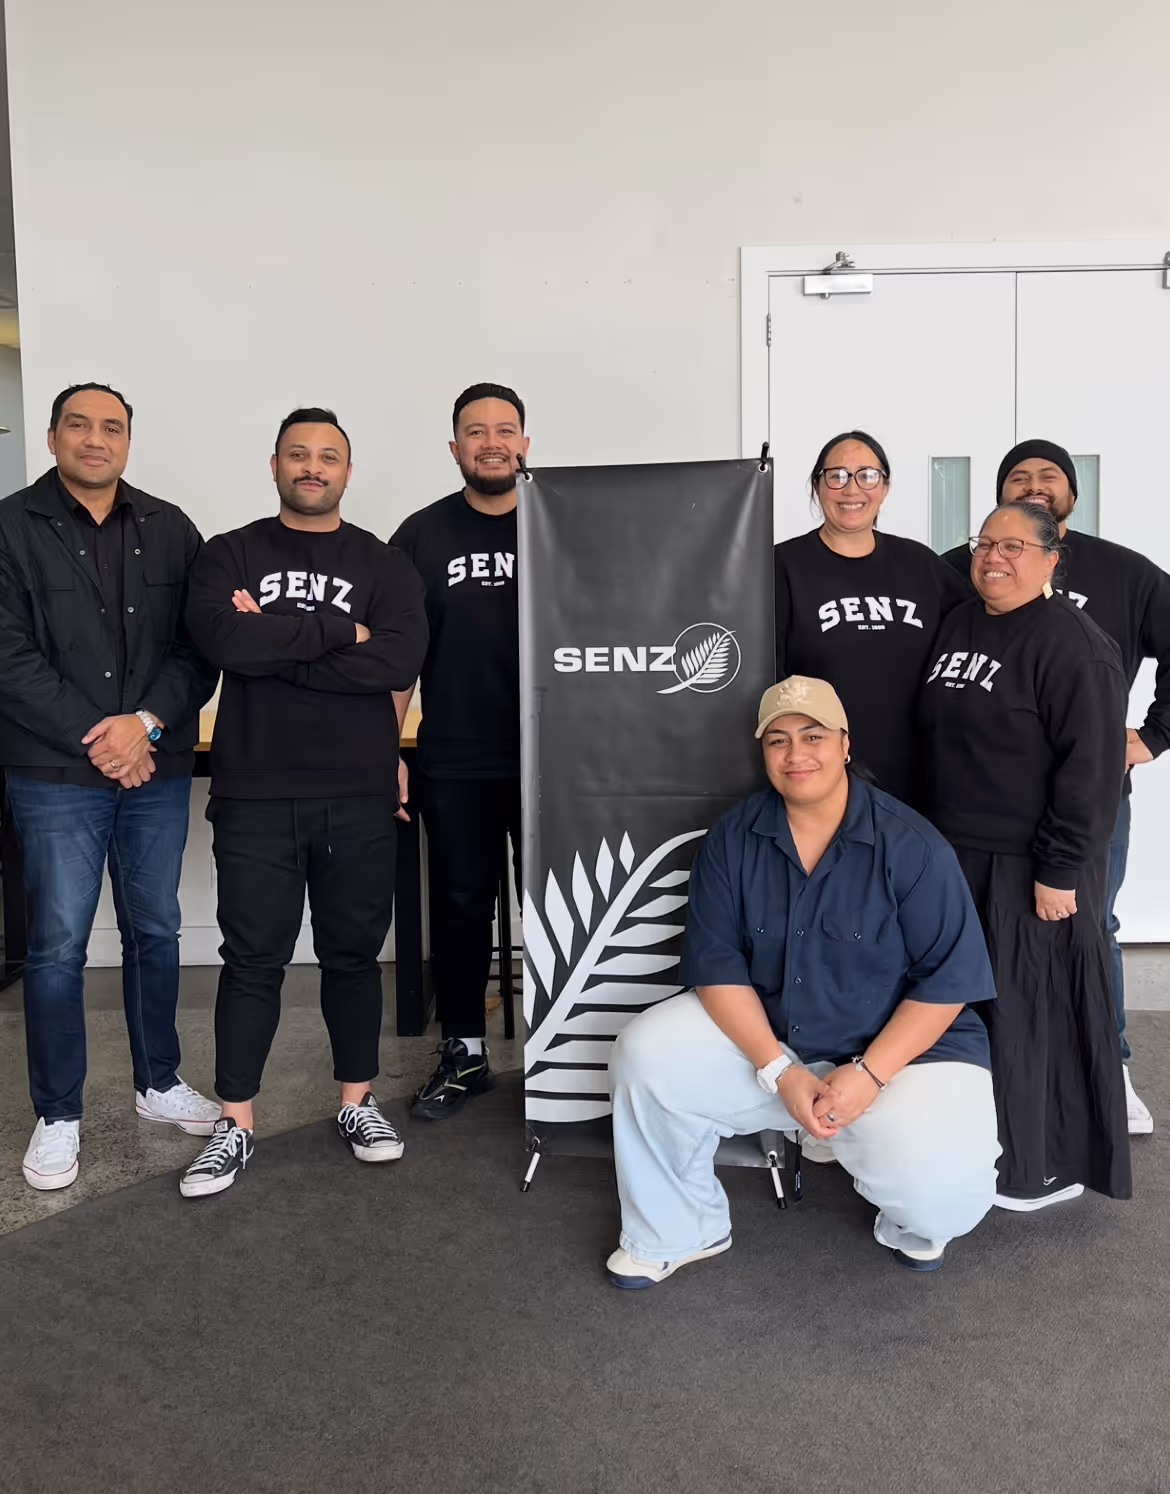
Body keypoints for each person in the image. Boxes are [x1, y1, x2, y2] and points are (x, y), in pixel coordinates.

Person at [606, 676, 1001, 1288]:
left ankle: (895, 1195)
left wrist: (868, 1076)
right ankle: (678, 1229)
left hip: (896, 1058)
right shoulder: (732, 837)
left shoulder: (912, 844)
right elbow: (716, 969)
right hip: (775, 1045)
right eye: (778, 740)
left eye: (813, 736)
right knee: (646, 1053)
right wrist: (779, 1072)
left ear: (844, 744)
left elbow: (948, 982)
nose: (796, 754)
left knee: (944, 1204)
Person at [178, 408, 428, 1196]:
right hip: (255, 791)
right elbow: (225, 644)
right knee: (252, 959)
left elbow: (399, 661)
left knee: (353, 956)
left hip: (357, 792)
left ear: (347, 471)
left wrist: (275, 640)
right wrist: (342, 634)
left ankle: (356, 1102)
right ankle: (236, 1122)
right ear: (275, 465)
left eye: (328, 456)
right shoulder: (228, 554)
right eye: (298, 454)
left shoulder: (385, 564)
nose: (312, 467)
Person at [0, 382, 221, 1191]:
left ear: (128, 441)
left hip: (153, 765)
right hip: (53, 770)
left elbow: (200, 647)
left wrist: (147, 725)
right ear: (53, 436)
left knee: (155, 927)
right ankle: (58, 1114)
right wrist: (107, 738)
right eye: (80, 425)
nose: (96, 439)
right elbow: (8, 656)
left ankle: (158, 1082)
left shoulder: (171, 528)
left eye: (112, 428)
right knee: (58, 943)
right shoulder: (8, 527)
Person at [942, 440, 1167, 1136]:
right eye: (1018, 477)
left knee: (1088, 928)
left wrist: (1151, 737)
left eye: (1049, 476)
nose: (1034, 485)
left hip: (1085, 803)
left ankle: (1106, 1066)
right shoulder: (959, 573)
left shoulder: (1126, 574)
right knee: (983, 944)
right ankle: (980, 1081)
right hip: (980, 816)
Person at [922, 501, 1130, 1210]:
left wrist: (1060, 870)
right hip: (957, 857)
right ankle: (974, 1149)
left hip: (1030, 866)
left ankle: (1040, 1167)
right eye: (985, 543)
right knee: (969, 1012)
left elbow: (1091, 771)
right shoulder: (960, 622)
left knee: (1029, 1016)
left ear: (1050, 559)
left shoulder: (1076, 645)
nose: (994, 556)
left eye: (1013, 546)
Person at [389, 383, 527, 1120]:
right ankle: (465, 1052)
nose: (491, 442)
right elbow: (397, 660)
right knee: (461, 904)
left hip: (553, 761)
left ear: (525, 445)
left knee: (559, 908)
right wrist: (387, 749)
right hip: (456, 756)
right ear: (454, 448)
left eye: (505, 429)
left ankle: (567, 1055)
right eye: (476, 431)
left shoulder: (563, 524)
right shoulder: (420, 536)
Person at [774, 431, 967, 805]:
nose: (852, 489)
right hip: (820, 779)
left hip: (919, 778)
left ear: (885, 487)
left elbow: (980, 631)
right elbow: (763, 679)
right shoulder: (781, 567)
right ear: (817, 486)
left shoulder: (921, 565)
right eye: (837, 476)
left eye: (867, 475)